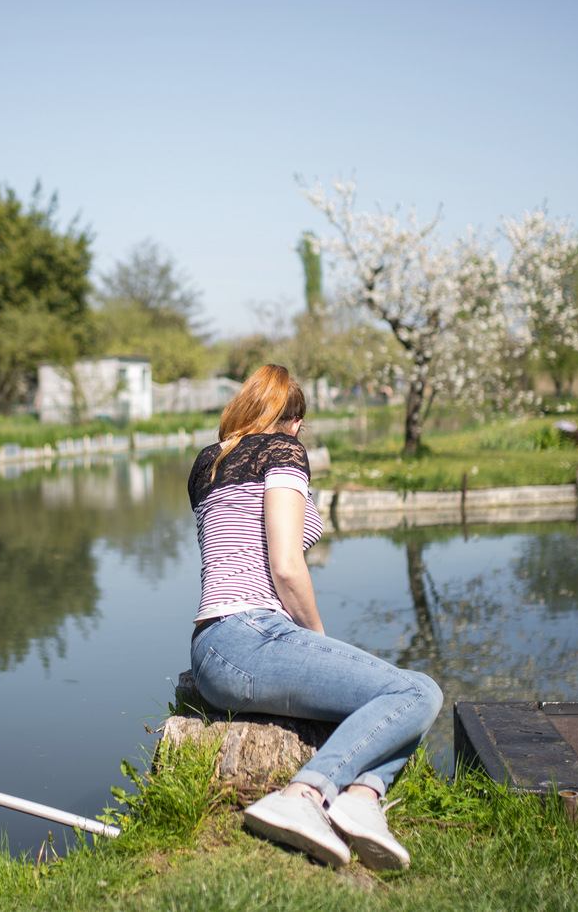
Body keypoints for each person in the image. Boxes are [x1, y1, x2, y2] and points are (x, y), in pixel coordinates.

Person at [186, 364, 443, 869]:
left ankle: (362, 801)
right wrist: (318, 637)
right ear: (294, 420)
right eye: (299, 422)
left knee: (392, 694)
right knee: (415, 691)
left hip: (213, 644)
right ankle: (302, 796)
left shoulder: (206, 464)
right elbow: (285, 565)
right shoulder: (283, 452)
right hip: (252, 634)